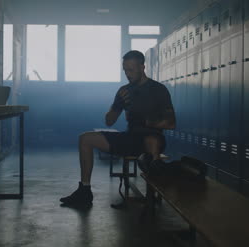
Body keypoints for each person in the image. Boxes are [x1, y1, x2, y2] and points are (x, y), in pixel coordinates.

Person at [60, 50, 176, 207]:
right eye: (125, 70)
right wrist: (118, 105)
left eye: (131, 70)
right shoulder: (125, 91)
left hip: (151, 139)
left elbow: (171, 123)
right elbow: (109, 121)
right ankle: (85, 191)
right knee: (85, 139)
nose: (127, 74)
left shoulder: (158, 90)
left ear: (142, 67)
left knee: (151, 140)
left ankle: (154, 188)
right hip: (130, 138)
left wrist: (146, 121)